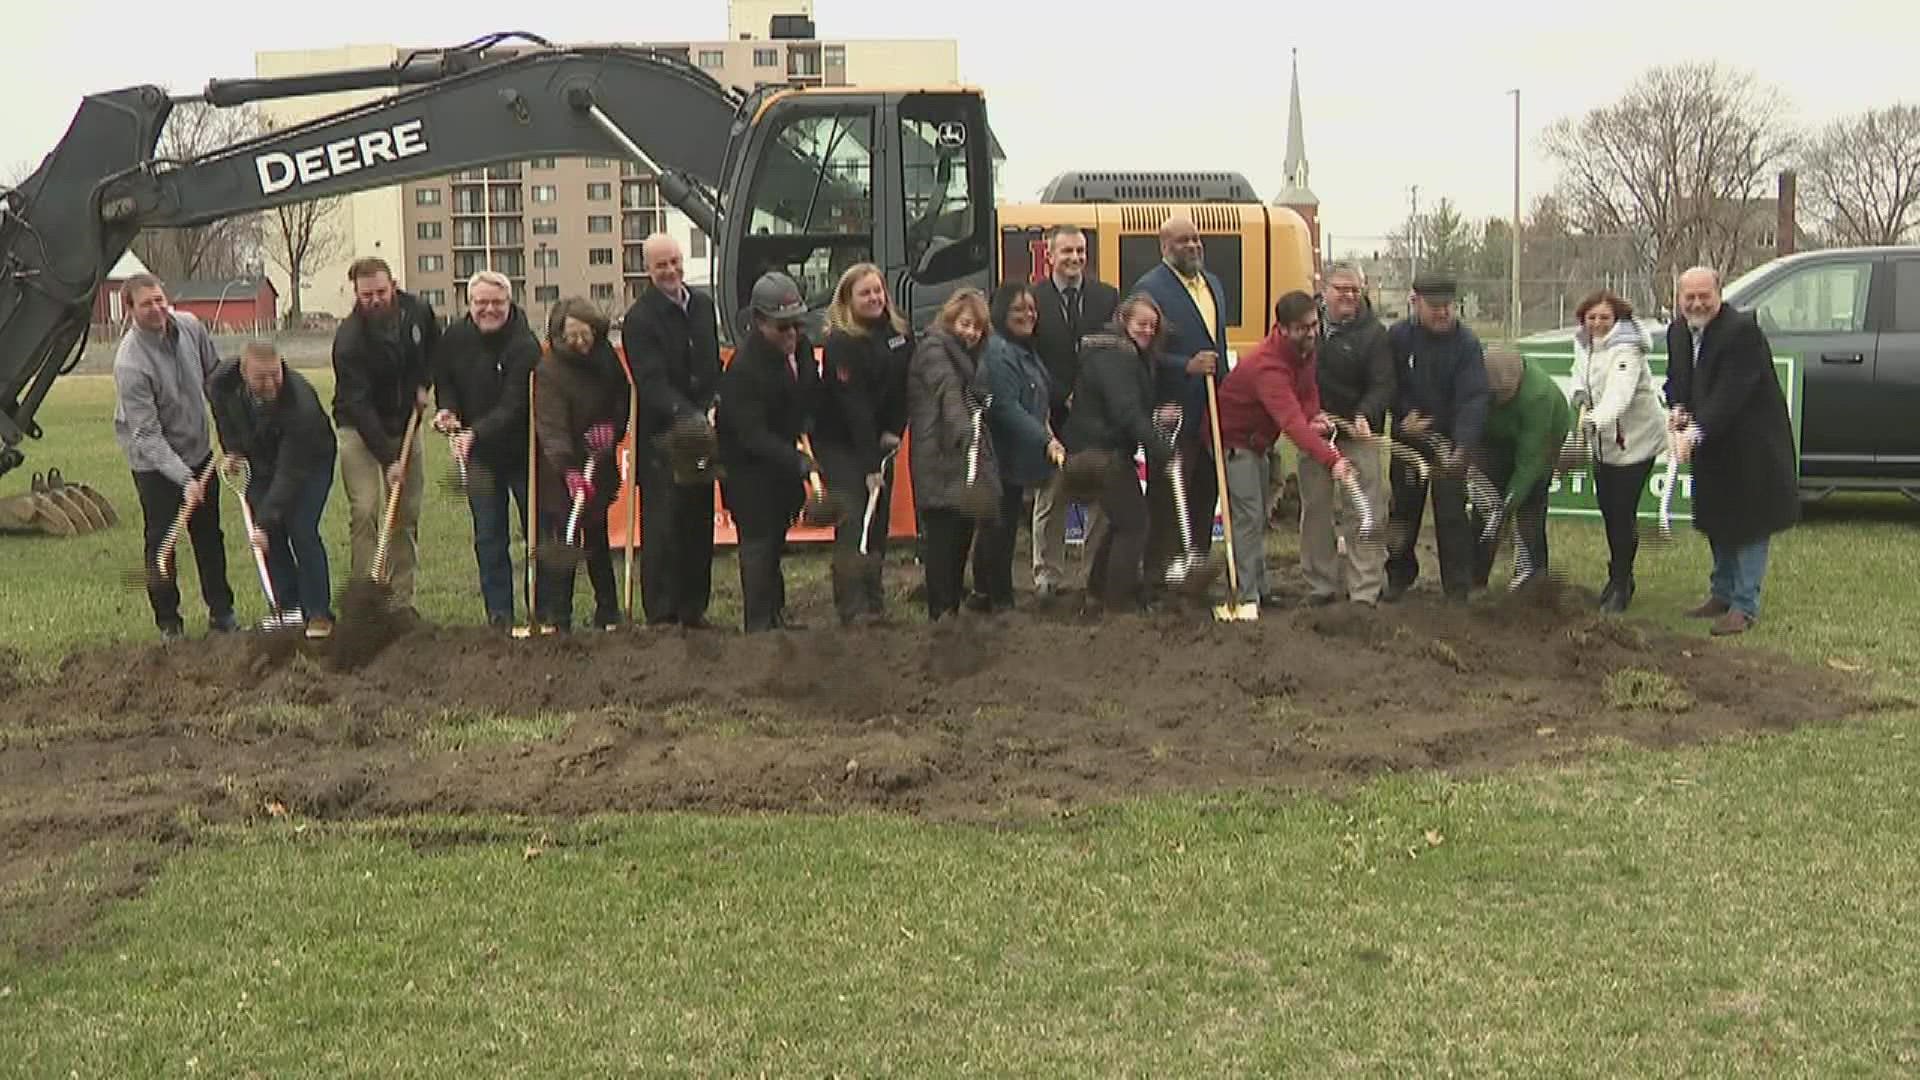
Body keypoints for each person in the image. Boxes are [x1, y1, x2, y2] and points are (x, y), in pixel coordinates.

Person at [1664, 266, 1798, 636]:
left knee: (1750, 523)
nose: (1696, 303)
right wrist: (1676, 408)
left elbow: (1731, 394)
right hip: (1712, 444)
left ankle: (1744, 605)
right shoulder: (1677, 331)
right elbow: (1677, 380)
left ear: (1718, 294)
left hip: (1751, 443)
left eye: (1703, 295)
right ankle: (1720, 594)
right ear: (1679, 298)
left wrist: (1694, 433)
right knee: (1716, 518)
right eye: (1689, 296)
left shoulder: (1742, 332)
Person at [111, 273, 236, 639]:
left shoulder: (191, 327)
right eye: (147, 303)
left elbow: (215, 379)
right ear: (130, 309)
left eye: (160, 299)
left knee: (210, 536)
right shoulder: (130, 363)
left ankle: (223, 614)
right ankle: (169, 623)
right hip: (153, 463)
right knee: (162, 542)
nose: (157, 308)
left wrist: (229, 435)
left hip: (199, 449)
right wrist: (184, 479)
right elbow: (147, 436)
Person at [1213, 291, 1351, 615]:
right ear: (1283, 328)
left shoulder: (1304, 352)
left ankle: (1260, 588)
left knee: (1258, 516)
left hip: (1260, 440)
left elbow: (1307, 390)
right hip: (1235, 441)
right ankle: (1246, 597)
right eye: (1303, 328)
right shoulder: (1268, 366)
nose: (1312, 332)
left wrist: (1314, 413)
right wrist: (1332, 460)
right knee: (1248, 518)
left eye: (1315, 324)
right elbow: (1291, 423)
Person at [621, 232, 722, 630]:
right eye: (661, 264)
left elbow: (712, 361)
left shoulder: (702, 306)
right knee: (664, 527)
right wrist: (687, 414)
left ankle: (694, 609)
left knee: (698, 524)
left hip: (703, 432)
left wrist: (712, 406)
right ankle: (662, 614)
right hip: (663, 436)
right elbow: (651, 381)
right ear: (648, 270)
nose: (671, 270)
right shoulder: (640, 319)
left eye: (675, 261)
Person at [331, 256, 439, 615]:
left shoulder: (418, 312)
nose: (375, 300)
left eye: (380, 291)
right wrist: (389, 459)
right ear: (356, 294)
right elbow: (358, 405)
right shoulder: (349, 340)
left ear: (393, 285)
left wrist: (424, 384)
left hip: (405, 421)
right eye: (366, 295)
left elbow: (433, 351)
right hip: (360, 429)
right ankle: (365, 603)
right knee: (365, 509)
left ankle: (400, 602)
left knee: (405, 514)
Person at [209, 342, 337, 637]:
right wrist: (233, 448)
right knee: (272, 537)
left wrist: (265, 522)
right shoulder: (222, 380)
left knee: (301, 528)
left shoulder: (300, 402)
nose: (270, 384)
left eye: (275, 375)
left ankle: (318, 613)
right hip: (262, 457)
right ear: (243, 373)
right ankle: (289, 608)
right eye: (261, 378)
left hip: (309, 462)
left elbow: (290, 474)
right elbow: (219, 404)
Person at [431, 270, 537, 629]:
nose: (489, 309)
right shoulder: (454, 337)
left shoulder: (525, 344)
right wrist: (447, 411)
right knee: (489, 536)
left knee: (536, 535)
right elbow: (445, 381)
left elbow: (515, 404)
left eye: (497, 302)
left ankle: (545, 610)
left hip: (525, 453)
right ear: (469, 303)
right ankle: (499, 615)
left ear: (510, 302)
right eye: (481, 303)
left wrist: (476, 432)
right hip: (480, 459)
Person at [716, 272, 819, 633]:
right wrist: (797, 460)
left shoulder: (802, 350)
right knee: (758, 546)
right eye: (781, 327)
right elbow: (752, 435)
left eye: (796, 325)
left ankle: (776, 616)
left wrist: (807, 422)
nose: (791, 334)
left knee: (776, 541)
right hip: (749, 473)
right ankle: (758, 625)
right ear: (759, 322)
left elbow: (807, 394)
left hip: (780, 472)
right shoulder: (744, 369)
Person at [1132, 216, 1229, 589]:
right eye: (1182, 241)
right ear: (1165, 247)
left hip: (1211, 411)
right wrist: (1184, 365)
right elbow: (1142, 348)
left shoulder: (1214, 285)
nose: (1192, 246)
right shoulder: (1150, 289)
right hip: (1171, 411)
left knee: (1206, 491)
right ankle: (1159, 576)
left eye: (1196, 239)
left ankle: (1196, 567)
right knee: (1169, 496)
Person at [1063, 294, 1174, 614]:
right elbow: (1126, 411)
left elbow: (1124, 408)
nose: (1148, 331)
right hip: (1100, 452)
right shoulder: (1118, 357)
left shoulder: (1113, 353)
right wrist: (1159, 446)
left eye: (1153, 326)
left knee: (1120, 522)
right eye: (1142, 324)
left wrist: (1155, 419)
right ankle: (1118, 603)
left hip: (1092, 448)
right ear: (1123, 321)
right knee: (1135, 524)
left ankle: (1097, 592)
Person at [1383, 276, 1490, 603]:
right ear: (1415, 303)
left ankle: (1456, 587)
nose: (1443, 313)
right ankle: (1399, 574)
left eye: (1448, 306)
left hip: (1448, 440)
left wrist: (1462, 445)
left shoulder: (1467, 344)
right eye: (1435, 307)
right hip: (1408, 439)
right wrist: (1402, 416)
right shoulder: (1399, 337)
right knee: (1403, 510)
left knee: (1452, 514)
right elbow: (1386, 382)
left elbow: (1473, 398)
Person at [816, 262, 913, 624]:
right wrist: (870, 467)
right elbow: (852, 406)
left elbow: (904, 390)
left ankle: (874, 599)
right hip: (840, 441)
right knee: (855, 515)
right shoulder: (842, 343)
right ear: (848, 300)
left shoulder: (899, 334)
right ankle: (852, 606)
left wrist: (894, 430)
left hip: (878, 438)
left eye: (878, 291)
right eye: (865, 293)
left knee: (879, 519)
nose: (874, 298)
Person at [1029, 225, 1120, 596]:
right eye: (1067, 252)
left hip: (1096, 413)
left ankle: (1091, 573)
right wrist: (1058, 393)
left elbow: (1115, 348)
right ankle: (1047, 575)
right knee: (1051, 496)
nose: (1075, 259)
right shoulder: (1033, 299)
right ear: (1049, 255)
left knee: (1100, 494)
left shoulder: (1106, 297)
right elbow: (1028, 357)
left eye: (1081, 252)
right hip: (1052, 415)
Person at [532, 299, 630, 632]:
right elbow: (550, 425)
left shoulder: (605, 359)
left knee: (597, 538)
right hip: (560, 469)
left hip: (597, 459)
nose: (580, 342)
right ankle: (560, 617)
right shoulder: (550, 370)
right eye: (572, 336)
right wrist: (569, 470)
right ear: (559, 335)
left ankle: (609, 612)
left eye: (585, 334)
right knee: (566, 537)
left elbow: (622, 396)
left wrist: (613, 428)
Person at [1302, 263, 1395, 607]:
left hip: (1358, 433)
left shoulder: (1374, 335)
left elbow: (1383, 382)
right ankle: (1320, 584)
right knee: (1316, 509)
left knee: (1365, 509)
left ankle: (1365, 589)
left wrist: (1365, 414)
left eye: (1354, 290)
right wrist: (1309, 415)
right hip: (1315, 430)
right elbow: (1292, 375)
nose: (1349, 296)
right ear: (1323, 289)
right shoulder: (1306, 328)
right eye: (1341, 289)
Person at [1570, 289, 1665, 612]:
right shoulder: (1583, 343)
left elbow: (1619, 396)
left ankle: (1622, 583)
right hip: (1603, 443)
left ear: (1618, 319)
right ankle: (1618, 576)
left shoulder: (1627, 350)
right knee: (1609, 510)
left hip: (1634, 443)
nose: (1597, 323)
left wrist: (1594, 420)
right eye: (1592, 317)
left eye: (1605, 318)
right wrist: (1580, 395)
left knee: (1622, 513)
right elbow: (1578, 374)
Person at [972, 282, 1063, 612]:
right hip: (999, 453)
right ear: (1000, 313)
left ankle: (989, 594)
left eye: (1031, 309)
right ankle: (995, 598)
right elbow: (1007, 407)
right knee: (998, 527)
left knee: (1003, 524)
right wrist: (1046, 439)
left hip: (1016, 455)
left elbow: (1038, 401)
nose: (1027, 315)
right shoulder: (999, 352)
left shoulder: (1025, 349)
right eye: (1018, 310)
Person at [908, 288, 997, 621]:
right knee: (943, 543)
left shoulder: (969, 357)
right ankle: (941, 613)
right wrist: (967, 433)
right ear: (950, 319)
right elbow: (948, 394)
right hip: (940, 455)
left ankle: (950, 611)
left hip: (960, 458)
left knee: (960, 537)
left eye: (977, 327)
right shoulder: (934, 350)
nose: (971, 333)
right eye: (965, 324)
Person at [1473, 346, 1571, 592]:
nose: (1500, 398)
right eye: (1494, 394)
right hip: (1493, 440)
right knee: (1485, 511)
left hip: (1542, 442)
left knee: (1530, 511)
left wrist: (1508, 504)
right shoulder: (1474, 381)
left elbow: (1530, 462)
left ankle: (1533, 585)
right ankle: (1474, 580)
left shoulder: (1538, 395)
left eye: (1506, 393)